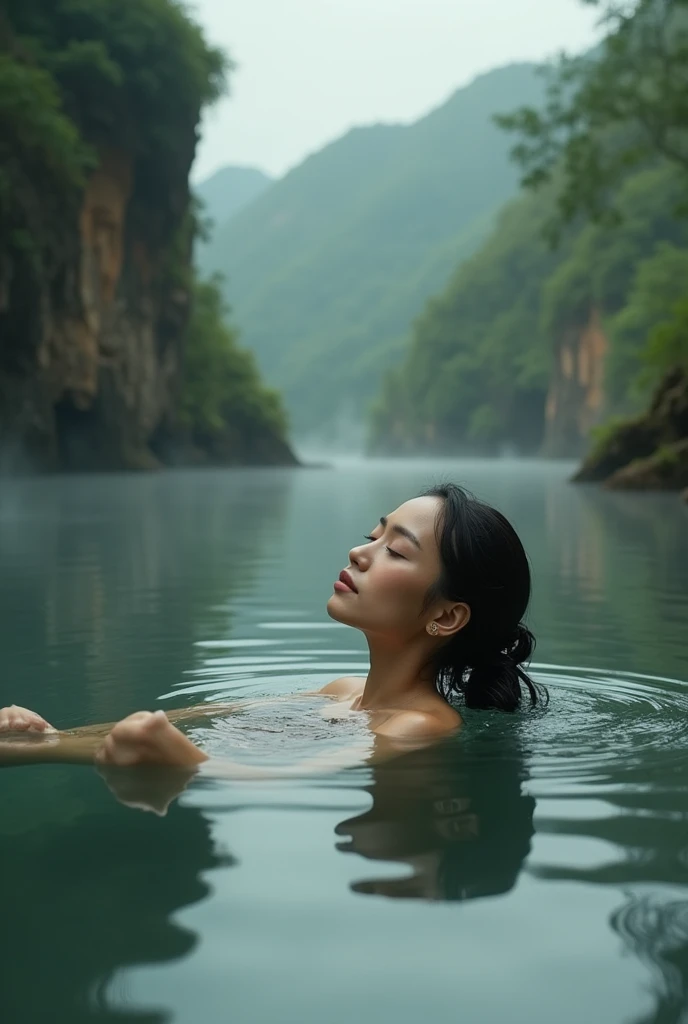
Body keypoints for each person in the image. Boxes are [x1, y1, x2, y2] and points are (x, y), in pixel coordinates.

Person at [0, 484, 543, 790]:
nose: (360, 553)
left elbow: (267, 776)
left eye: (396, 551)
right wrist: (49, 735)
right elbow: (199, 721)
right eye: (371, 537)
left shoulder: (422, 725)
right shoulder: (340, 690)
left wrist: (186, 764)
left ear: (447, 618)